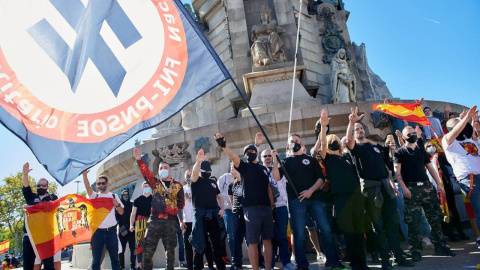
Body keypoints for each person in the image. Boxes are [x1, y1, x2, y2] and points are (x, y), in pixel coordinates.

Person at [346, 107, 413, 269]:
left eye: (361, 128)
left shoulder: (376, 146)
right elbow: (348, 140)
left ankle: (398, 255)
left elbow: (385, 168)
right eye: (357, 129)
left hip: (386, 188)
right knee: (378, 226)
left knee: (392, 223)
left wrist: (392, 185)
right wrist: (351, 122)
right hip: (371, 190)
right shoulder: (355, 148)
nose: (359, 130)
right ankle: (385, 260)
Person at [315, 109, 369, 270]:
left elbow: (350, 140)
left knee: (359, 230)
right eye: (332, 140)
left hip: (356, 196)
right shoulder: (328, 159)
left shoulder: (346, 157)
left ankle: (363, 263)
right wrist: (324, 128)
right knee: (349, 232)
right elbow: (323, 144)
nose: (334, 142)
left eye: (336, 140)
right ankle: (354, 263)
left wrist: (352, 123)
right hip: (340, 198)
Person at [215, 133, 277, 270]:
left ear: (257, 153)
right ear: (244, 156)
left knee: (267, 240)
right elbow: (233, 157)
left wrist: (272, 206)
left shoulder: (264, 169)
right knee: (253, 242)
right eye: (247, 152)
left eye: (252, 151)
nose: (250, 154)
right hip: (250, 209)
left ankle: (268, 268)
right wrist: (224, 146)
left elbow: (268, 188)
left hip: (266, 208)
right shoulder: (244, 167)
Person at [281, 133, 343, 270]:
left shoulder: (310, 159)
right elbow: (276, 176)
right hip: (296, 201)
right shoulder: (285, 162)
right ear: (288, 145)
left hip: (314, 199)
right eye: (292, 141)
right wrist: (274, 160)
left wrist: (310, 191)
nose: (295, 142)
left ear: (301, 143)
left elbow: (321, 179)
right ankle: (302, 266)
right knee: (299, 234)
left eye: (297, 140)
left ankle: (334, 262)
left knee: (325, 229)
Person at [393, 126, 455, 262]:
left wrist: (438, 184)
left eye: (414, 133)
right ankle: (416, 250)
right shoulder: (399, 152)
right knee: (413, 222)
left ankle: (440, 246)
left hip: (427, 187)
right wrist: (404, 188)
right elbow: (397, 173)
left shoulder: (421, 151)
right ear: (403, 137)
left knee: (435, 218)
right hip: (411, 189)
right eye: (409, 134)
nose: (413, 135)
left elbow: (431, 168)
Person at [133, 147, 185, 270]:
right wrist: (140, 160)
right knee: (147, 250)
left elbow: (181, 204)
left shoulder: (177, 186)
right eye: (161, 168)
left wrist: (180, 220)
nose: (163, 170)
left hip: (171, 221)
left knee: (170, 252)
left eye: (165, 168)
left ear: (170, 171)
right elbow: (146, 173)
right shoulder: (155, 183)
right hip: (154, 220)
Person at [442, 105, 480, 249]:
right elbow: (456, 130)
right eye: (457, 123)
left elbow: (471, 133)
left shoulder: (470, 141)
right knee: (479, 210)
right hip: (470, 179)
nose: (461, 125)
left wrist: (473, 121)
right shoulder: (448, 142)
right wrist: (465, 118)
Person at [190, 150, 226, 270]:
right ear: (201, 171)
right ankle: (198, 267)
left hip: (213, 215)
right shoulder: (196, 181)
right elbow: (194, 174)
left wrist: (222, 209)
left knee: (217, 243)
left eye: (209, 171)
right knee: (200, 243)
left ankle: (220, 267)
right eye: (205, 171)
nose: (207, 173)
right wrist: (198, 161)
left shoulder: (213, 182)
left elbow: (219, 197)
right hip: (200, 216)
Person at [260, 148, 295, 270]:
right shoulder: (259, 171)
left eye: (270, 155)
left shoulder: (279, 170)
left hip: (280, 207)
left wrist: (276, 160)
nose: (268, 157)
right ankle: (270, 264)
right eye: (265, 156)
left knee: (282, 236)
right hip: (266, 208)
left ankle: (286, 262)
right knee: (268, 238)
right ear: (261, 159)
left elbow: (277, 179)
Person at [82, 170, 124, 270]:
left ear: (107, 183)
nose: (101, 185)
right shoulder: (94, 196)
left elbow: (121, 212)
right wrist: (85, 176)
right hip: (97, 233)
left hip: (111, 232)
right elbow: (88, 188)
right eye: (98, 183)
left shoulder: (114, 196)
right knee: (96, 261)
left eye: (103, 183)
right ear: (97, 185)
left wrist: (116, 204)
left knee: (115, 260)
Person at [22, 162, 58, 270]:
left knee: (48, 265)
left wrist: (31, 207)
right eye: (38, 185)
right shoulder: (31, 198)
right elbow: (26, 188)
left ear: (47, 187)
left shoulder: (53, 198)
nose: (41, 187)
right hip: (30, 236)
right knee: (28, 265)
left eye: (43, 185)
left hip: (46, 236)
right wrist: (25, 174)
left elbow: (54, 208)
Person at [130, 182, 153, 270]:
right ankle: (139, 264)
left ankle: (148, 264)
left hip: (151, 222)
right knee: (139, 243)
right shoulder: (137, 200)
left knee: (150, 243)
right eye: (145, 186)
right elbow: (133, 214)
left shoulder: (154, 199)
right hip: (140, 222)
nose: (146, 187)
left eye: (148, 186)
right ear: (142, 188)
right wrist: (131, 225)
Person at [217, 163, 236, 262]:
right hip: (228, 210)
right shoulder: (223, 178)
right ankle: (234, 257)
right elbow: (217, 195)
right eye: (233, 166)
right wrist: (221, 208)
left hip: (240, 211)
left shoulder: (240, 178)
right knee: (231, 235)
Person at [117, 189, 136, 270]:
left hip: (131, 230)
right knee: (121, 251)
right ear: (121, 196)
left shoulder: (132, 205)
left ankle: (133, 266)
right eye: (124, 195)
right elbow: (116, 219)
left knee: (133, 249)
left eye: (127, 194)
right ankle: (122, 267)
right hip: (122, 231)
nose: (125, 196)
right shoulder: (119, 207)